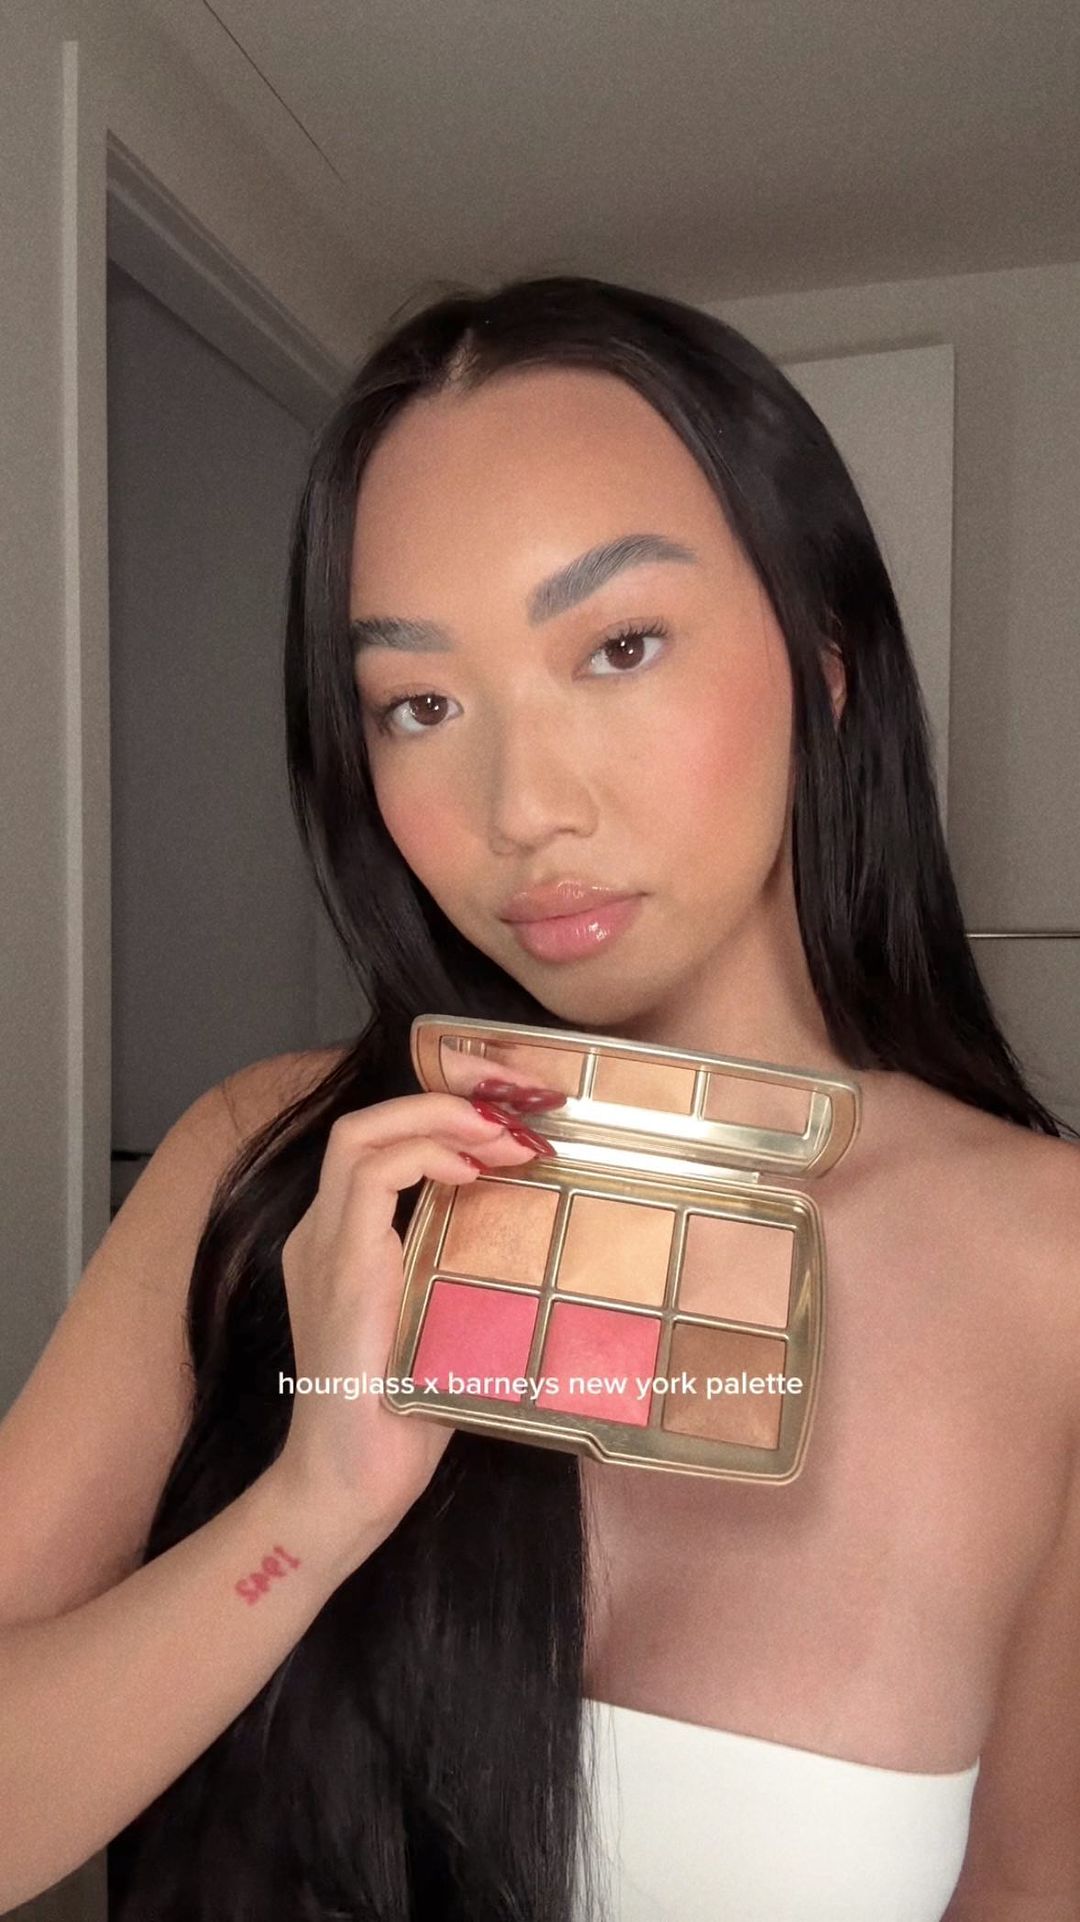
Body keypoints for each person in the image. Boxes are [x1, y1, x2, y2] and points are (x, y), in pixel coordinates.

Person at [0, 274, 1077, 1922]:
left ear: (826, 659)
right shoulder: (262, 1167)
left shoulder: (1055, 1273)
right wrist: (313, 1507)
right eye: (420, 704)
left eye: (620, 646)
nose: (522, 806)